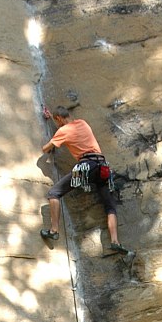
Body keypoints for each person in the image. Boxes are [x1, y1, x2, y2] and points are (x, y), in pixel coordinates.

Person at [39, 106, 131, 254]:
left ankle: (54, 230)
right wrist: (52, 118)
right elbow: (67, 128)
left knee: (54, 193)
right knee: (110, 206)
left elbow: (46, 148)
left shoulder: (62, 131)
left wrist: (50, 137)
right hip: (103, 167)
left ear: (59, 119)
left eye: (58, 121)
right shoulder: (83, 123)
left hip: (86, 166)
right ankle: (115, 241)